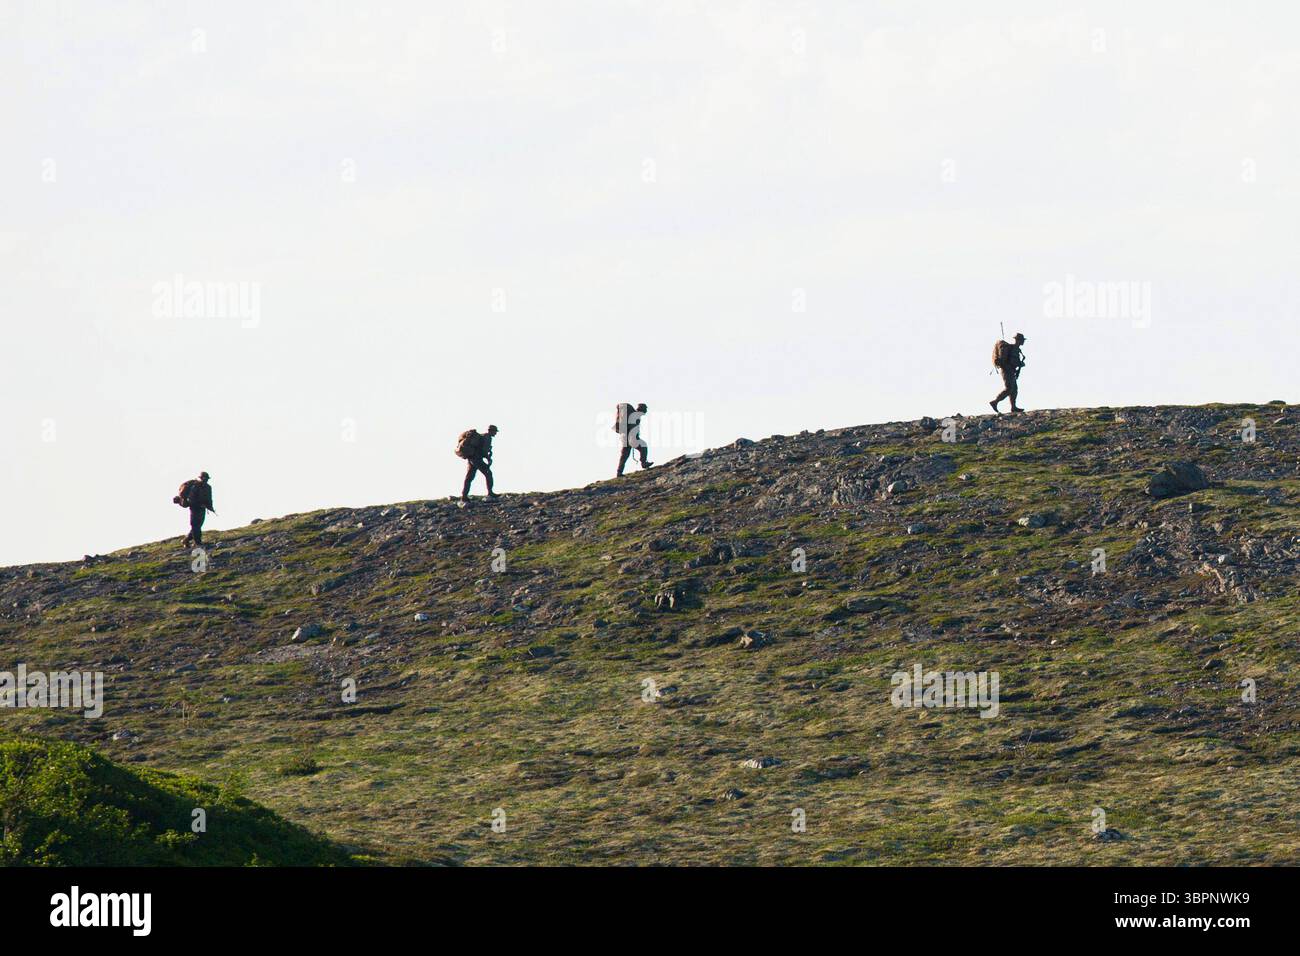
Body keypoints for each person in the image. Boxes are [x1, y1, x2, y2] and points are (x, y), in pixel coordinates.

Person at [456, 425, 499, 501]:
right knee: (488, 473)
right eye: (495, 431)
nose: (495, 433)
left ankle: (464, 496)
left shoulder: (481, 436)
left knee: (469, 478)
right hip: (477, 459)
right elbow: (483, 450)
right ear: (491, 431)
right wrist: (488, 458)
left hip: (471, 458)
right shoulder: (487, 437)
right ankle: (490, 492)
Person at [176, 472, 216, 547]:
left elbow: (209, 498)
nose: (206, 480)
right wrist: (199, 504)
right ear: (201, 478)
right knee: (195, 525)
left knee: (198, 525)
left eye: (206, 479)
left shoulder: (208, 487)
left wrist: (210, 507)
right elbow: (191, 499)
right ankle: (198, 542)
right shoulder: (195, 486)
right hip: (194, 508)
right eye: (204, 478)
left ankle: (186, 540)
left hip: (202, 508)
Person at [990, 332, 1026, 415]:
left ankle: (1013, 407)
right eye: (1022, 340)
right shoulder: (1013, 349)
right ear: (1018, 340)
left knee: (1014, 389)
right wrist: (1019, 364)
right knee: (1009, 388)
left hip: (1011, 370)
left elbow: (1014, 361)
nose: (1023, 342)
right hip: (1007, 370)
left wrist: (1019, 364)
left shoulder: (1016, 349)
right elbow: (1012, 361)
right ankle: (995, 402)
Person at [615, 402, 653, 477]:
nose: (646, 411)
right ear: (642, 409)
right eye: (645, 409)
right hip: (631, 438)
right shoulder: (635, 415)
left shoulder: (632, 414)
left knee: (624, 456)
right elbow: (633, 429)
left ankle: (619, 472)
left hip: (625, 438)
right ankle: (644, 463)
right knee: (643, 447)